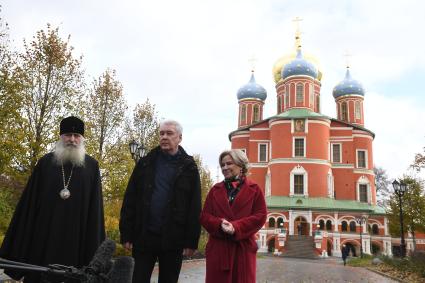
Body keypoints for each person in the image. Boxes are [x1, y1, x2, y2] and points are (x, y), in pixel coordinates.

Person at [0, 116, 105, 283]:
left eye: (76, 135)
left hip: (77, 241)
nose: (72, 139)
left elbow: (95, 212)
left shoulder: (92, 166)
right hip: (43, 240)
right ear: (60, 136)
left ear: (82, 139)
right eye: (68, 135)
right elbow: (28, 206)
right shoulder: (45, 163)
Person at [119, 119, 201, 283]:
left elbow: (194, 206)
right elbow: (130, 198)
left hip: (173, 238)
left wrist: (191, 241)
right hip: (144, 235)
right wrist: (126, 233)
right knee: (138, 279)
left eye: (169, 133)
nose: (164, 137)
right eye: (161, 133)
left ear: (179, 137)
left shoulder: (189, 167)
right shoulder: (145, 163)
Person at [200, 149, 267, 283]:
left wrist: (236, 227)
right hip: (219, 250)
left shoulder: (254, 189)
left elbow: (260, 215)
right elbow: (205, 216)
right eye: (222, 165)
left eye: (229, 164)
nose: (225, 168)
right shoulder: (215, 190)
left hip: (242, 250)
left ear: (241, 165)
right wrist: (219, 224)